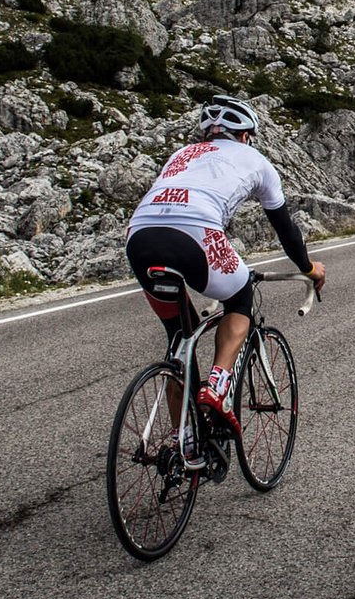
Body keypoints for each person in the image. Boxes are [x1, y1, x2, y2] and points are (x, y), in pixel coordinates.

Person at [126, 95, 325, 460]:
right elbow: (286, 230)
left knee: (179, 340)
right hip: (195, 235)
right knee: (239, 296)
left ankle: (183, 441)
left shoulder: (181, 154)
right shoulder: (258, 161)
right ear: (246, 135)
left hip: (139, 238)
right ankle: (217, 386)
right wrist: (309, 269)